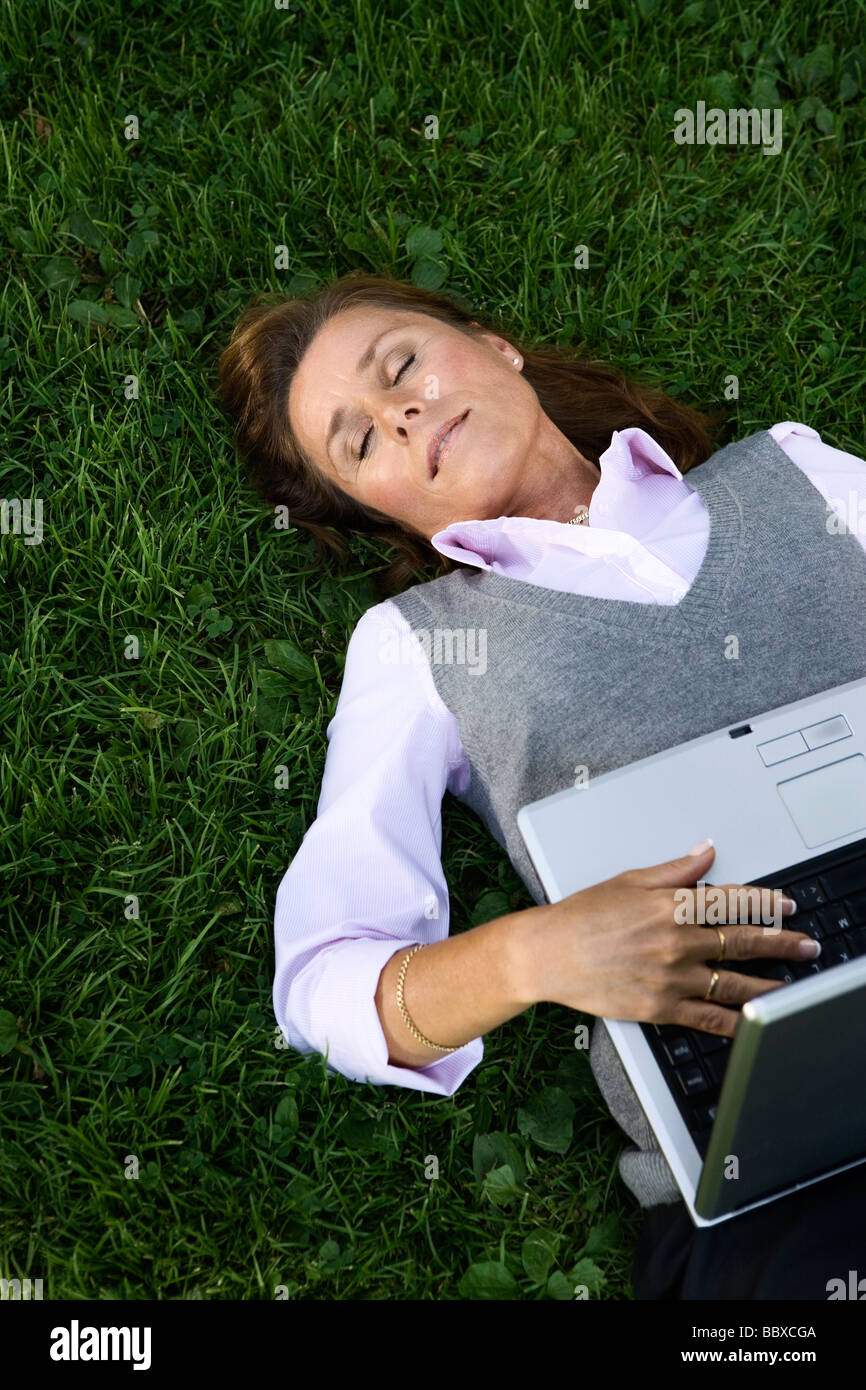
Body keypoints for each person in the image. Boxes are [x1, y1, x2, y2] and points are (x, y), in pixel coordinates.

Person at [216, 271, 866, 1298]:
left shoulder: (790, 472)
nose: (402, 414)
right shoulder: (418, 648)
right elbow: (320, 983)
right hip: (779, 1188)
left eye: (402, 366)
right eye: (360, 442)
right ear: (374, 507)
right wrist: (536, 953)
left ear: (496, 344)